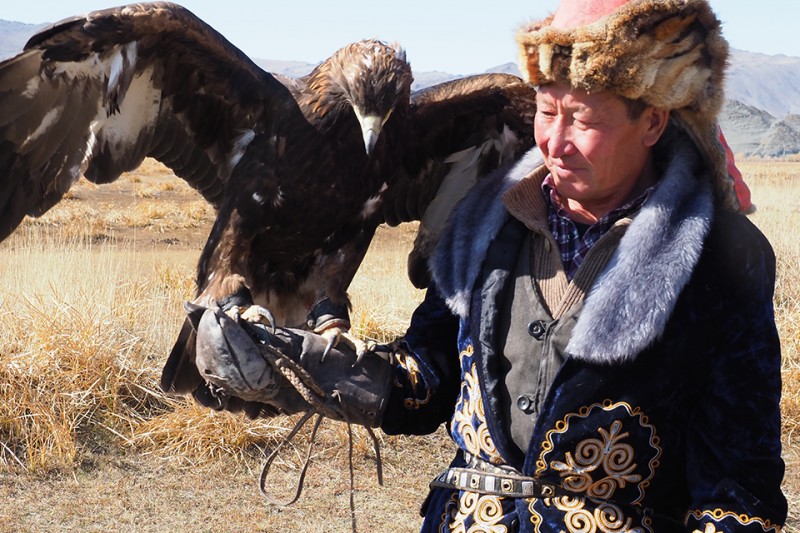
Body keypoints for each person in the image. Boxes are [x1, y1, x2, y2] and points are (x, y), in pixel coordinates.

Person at [191, 0, 786, 530]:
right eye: (546, 112)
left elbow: (738, 491)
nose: (555, 141)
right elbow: (427, 382)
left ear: (652, 120)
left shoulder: (718, 260)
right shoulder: (483, 222)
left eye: (583, 119)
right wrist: (315, 371)